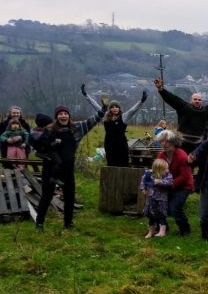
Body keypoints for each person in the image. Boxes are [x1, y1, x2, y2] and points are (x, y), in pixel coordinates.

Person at [35, 104, 105, 232]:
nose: (63, 116)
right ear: (56, 117)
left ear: (69, 115)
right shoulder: (50, 131)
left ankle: (68, 223)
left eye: (65, 113)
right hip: (50, 169)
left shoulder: (76, 129)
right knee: (46, 196)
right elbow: (37, 149)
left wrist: (103, 109)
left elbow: (92, 121)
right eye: (60, 114)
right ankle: (39, 223)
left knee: (69, 196)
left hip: (68, 169)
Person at [153, 75, 208, 154]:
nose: (197, 101)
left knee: (203, 165)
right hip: (183, 141)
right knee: (182, 163)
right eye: (195, 99)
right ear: (191, 100)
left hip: (198, 143)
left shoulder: (205, 111)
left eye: (199, 100)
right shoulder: (184, 107)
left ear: (201, 102)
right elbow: (171, 98)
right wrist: (161, 89)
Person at [82, 85, 147, 167]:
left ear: (119, 108)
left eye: (116, 107)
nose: (114, 109)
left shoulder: (124, 117)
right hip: (109, 145)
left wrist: (141, 101)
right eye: (112, 107)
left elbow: (133, 110)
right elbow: (95, 106)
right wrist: (86, 95)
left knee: (122, 166)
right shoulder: (105, 117)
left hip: (121, 146)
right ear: (110, 109)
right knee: (111, 165)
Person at [156, 130, 194, 236]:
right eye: (162, 141)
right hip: (168, 184)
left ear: (174, 142)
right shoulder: (160, 156)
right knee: (158, 202)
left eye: (167, 141)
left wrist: (169, 184)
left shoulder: (182, 156)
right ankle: (162, 226)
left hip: (184, 186)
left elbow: (185, 176)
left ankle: (185, 229)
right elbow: (158, 171)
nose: (164, 144)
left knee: (174, 207)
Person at [140, 158, 174, 238]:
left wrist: (160, 182)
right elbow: (144, 180)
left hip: (162, 199)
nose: (167, 170)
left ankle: (162, 232)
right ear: (158, 169)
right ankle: (151, 231)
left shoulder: (167, 174)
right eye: (165, 169)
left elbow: (170, 182)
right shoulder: (149, 173)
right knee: (151, 215)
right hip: (151, 197)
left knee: (162, 214)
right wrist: (143, 188)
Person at [29, 114, 63, 185]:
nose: (51, 125)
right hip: (47, 153)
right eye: (49, 124)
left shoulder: (43, 132)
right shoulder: (43, 135)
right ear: (43, 125)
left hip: (44, 152)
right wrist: (56, 142)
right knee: (58, 162)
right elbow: (48, 145)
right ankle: (54, 178)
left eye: (51, 123)